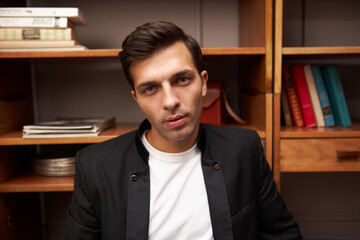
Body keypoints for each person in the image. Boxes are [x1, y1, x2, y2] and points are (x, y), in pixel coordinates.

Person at [62, 21, 302, 239]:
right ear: (136, 99)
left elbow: (283, 235)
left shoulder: (245, 148)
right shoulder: (95, 165)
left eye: (182, 80)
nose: (170, 101)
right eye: (150, 88)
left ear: (204, 82)